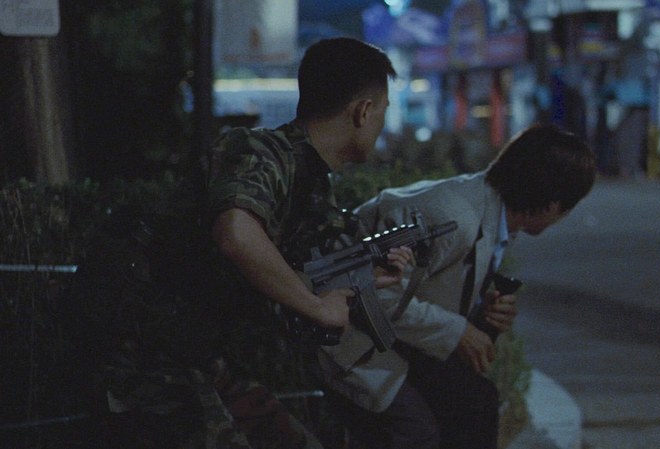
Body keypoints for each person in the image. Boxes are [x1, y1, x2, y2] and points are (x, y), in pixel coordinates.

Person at [71, 37, 410, 449]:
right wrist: (317, 306)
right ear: (363, 111)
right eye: (383, 111)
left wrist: (361, 277)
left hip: (194, 351)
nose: (381, 124)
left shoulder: (311, 186)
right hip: (143, 353)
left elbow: (286, 277)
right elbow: (236, 234)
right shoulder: (258, 151)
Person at [318, 124, 597, 449]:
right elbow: (372, 292)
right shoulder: (454, 217)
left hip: (392, 341)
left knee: (476, 402)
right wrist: (458, 331)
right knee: (417, 432)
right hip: (345, 338)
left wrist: (483, 314)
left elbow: (424, 288)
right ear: (552, 205)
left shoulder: (492, 213)